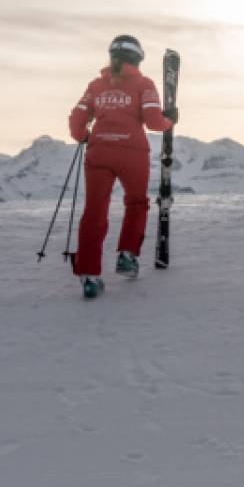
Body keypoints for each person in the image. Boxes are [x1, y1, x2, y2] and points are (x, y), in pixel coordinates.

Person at [66, 34, 174, 299]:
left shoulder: (96, 86)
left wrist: (85, 136)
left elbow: (77, 119)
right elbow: (153, 121)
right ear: (137, 58)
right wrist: (169, 120)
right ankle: (127, 255)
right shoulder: (144, 84)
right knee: (136, 203)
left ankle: (90, 277)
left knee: (94, 211)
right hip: (132, 152)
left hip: (99, 152)